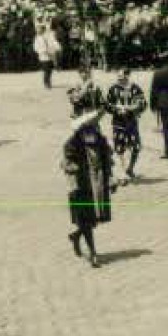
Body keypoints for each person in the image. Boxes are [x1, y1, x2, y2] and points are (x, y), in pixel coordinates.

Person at [62, 110, 114, 269]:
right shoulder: (72, 143)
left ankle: (76, 236)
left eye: (94, 124)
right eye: (89, 125)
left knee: (93, 220)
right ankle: (93, 253)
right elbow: (66, 162)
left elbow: (107, 160)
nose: (93, 127)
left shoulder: (100, 140)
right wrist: (71, 166)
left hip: (98, 184)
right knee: (86, 218)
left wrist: (110, 178)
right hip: (81, 186)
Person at [105, 66, 147, 183]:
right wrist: (117, 110)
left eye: (122, 76)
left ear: (127, 76)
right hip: (118, 123)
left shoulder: (135, 89)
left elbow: (143, 103)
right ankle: (123, 172)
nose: (119, 79)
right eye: (118, 76)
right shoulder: (113, 89)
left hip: (132, 123)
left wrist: (132, 109)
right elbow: (107, 104)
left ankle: (130, 169)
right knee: (119, 148)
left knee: (136, 147)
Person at [33, 21, 61, 89]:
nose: (39, 31)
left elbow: (53, 43)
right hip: (43, 56)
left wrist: (56, 49)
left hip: (50, 55)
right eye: (38, 29)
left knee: (50, 70)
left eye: (40, 29)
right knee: (46, 70)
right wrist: (42, 51)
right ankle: (46, 82)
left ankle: (48, 81)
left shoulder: (48, 36)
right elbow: (35, 47)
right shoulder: (37, 38)